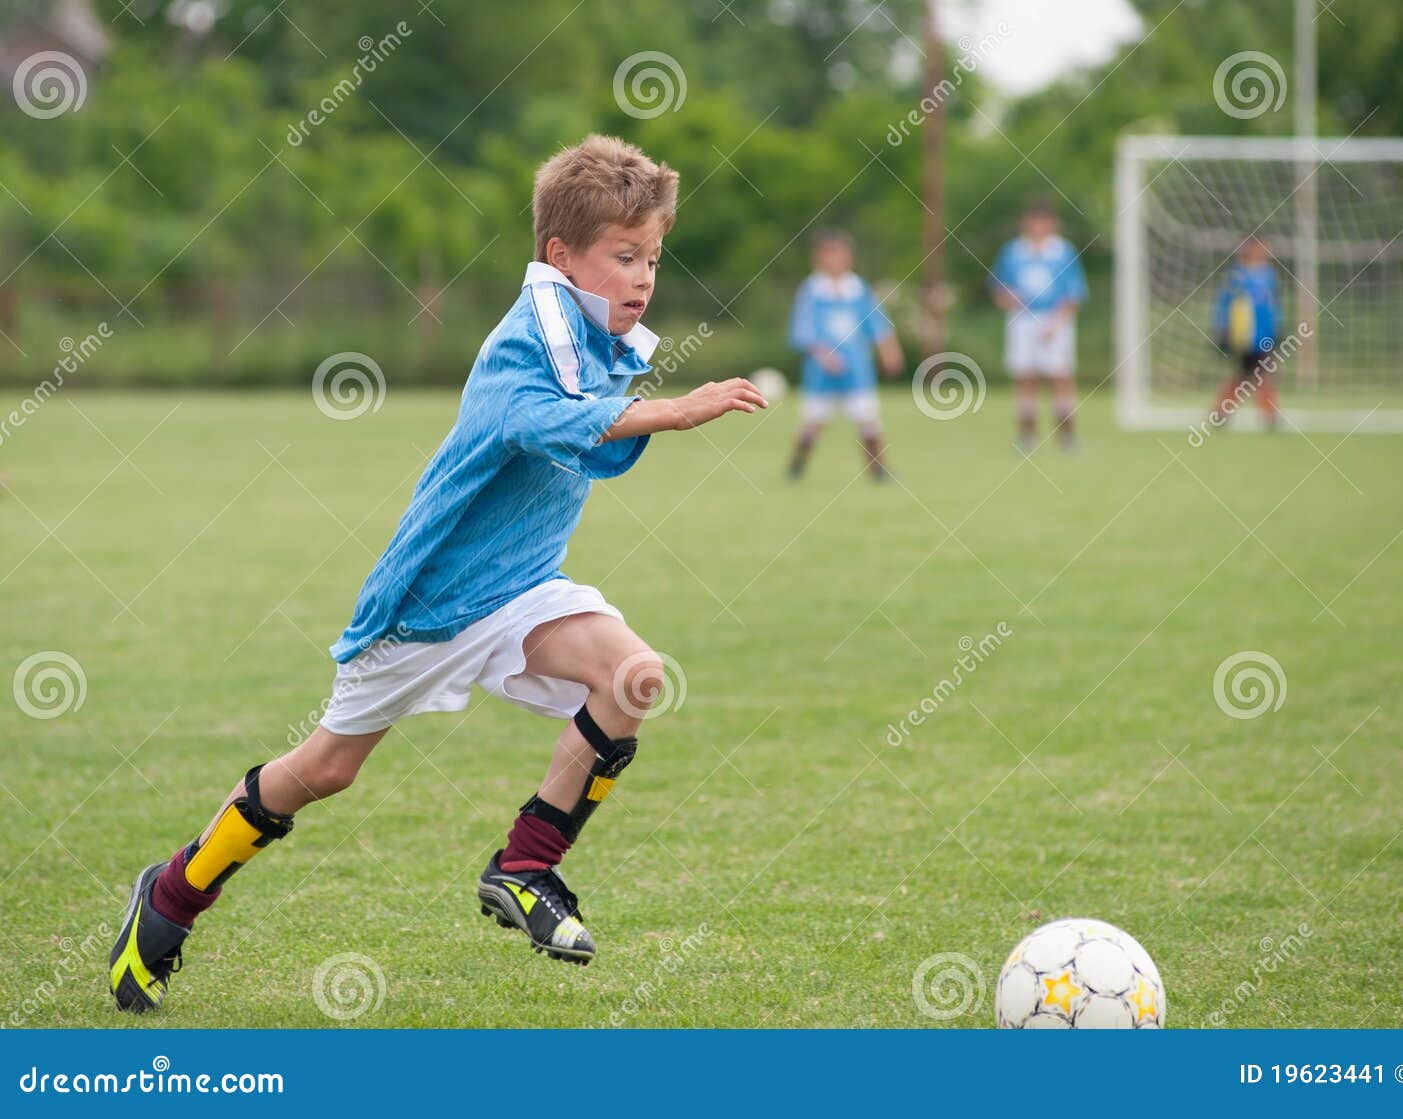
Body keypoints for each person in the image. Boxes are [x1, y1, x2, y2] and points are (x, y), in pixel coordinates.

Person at [107, 134, 768, 1012]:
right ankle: (171, 893)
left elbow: (588, 426)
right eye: (624, 255)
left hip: (523, 588)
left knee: (635, 676)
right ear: (559, 256)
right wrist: (675, 411)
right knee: (325, 770)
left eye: (652, 255)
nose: (645, 275)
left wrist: (654, 404)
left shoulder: (598, 333)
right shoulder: (523, 343)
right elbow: (544, 421)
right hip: (425, 606)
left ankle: (526, 867)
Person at [786, 229, 904, 481]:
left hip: (857, 369)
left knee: (868, 420)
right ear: (818, 258)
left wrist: (889, 352)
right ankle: (796, 468)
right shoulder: (811, 291)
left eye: (839, 254)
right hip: (821, 373)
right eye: (829, 254)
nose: (835, 260)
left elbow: (878, 325)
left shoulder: (858, 289)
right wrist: (823, 355)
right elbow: (802, 331)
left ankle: (878, 471)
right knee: (813, 422)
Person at [989, 201, 1088, 451]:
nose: (1037, 227)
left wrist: (1057, 321)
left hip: (1055, 319)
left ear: (1052, 224)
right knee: (1025, 376)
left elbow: (1074, 293)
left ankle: (1066, 435)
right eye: (1033, 221)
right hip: (1022, 319)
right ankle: (1027, 434)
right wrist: (1006, 298)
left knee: (1060, 376)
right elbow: (998, 287)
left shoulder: (1063, 252)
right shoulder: (1013, 252)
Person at [1208, 234, 1282, 431]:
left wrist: (1277, 328)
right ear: (1249, 249)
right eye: (1259, 247)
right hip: (1244, 336)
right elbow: (1224, 303)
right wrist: (1222, 328)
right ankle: (1267, 414)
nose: (1264, 251)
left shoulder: (1269, 275)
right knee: (1255, 374)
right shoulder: (1238, 275)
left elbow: (1272, 307)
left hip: (1265, 336)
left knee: (1252, 374)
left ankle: (1223, 412)